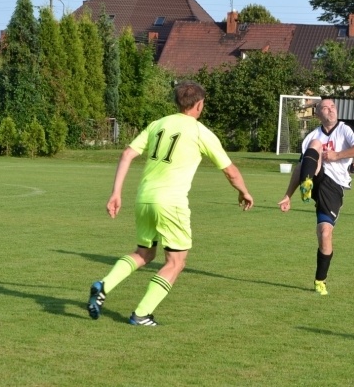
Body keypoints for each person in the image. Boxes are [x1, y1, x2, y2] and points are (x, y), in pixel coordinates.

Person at [87, 81, 254, 326]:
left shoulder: (158, 124)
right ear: (199, 105)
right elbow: (230, 171)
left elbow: (127, 154)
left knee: (143, 253)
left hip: (144, 198)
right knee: (176, 262)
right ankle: (141, 314)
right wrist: (244, 192)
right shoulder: (200, 132)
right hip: (171, 202)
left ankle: (104, 285)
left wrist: (116, 193)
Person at [277, 99, 354, 296]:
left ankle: (320, 280)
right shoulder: (312, 135)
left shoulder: (345, 129)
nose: (331, 110)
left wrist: (338, 155)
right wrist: (288, 196)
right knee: (315, 144)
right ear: (318, 113)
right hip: (316, 175)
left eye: (333, 106)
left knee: (325, 233)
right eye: (326, 107)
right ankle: (307, 184)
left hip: (334, 186)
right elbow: (300, 167)